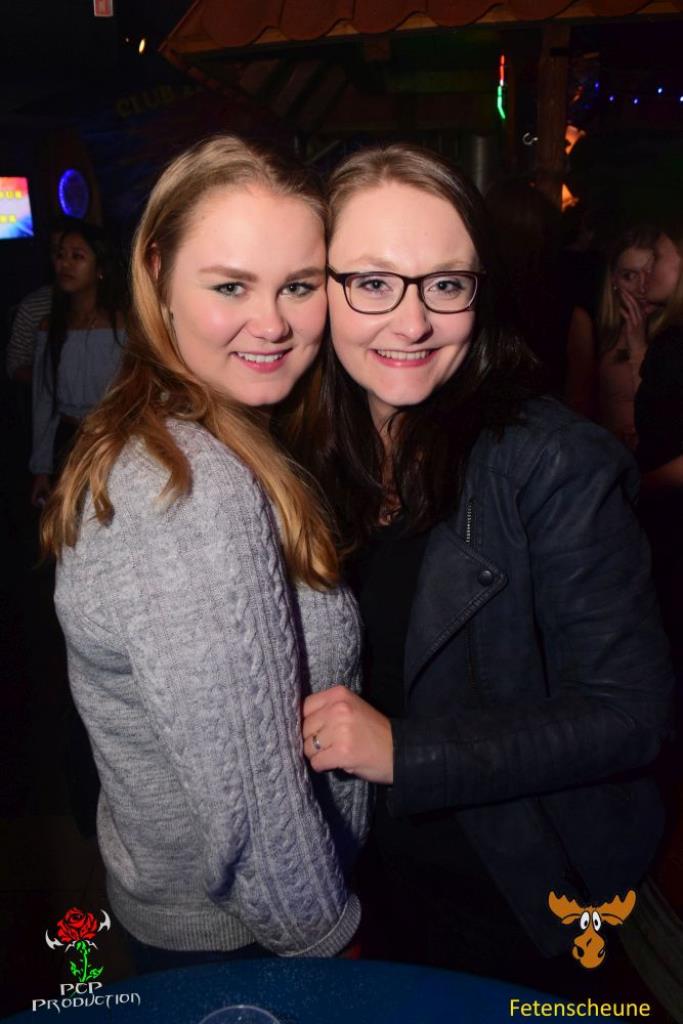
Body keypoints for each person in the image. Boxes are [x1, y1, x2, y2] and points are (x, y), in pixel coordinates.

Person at [296, 144, 672, 992]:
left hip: (516, 896)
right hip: (359, 882)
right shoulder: (304, 455)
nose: (412, 322)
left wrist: (406, 751)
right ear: (318, 288)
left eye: (445, 283)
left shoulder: (552, 464)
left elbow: (630, 713)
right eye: (372, 282)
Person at [40, 135, 368, 970]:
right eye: (230, 286)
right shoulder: (191, 489)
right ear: (156, 276)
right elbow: (255, 810)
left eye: (299, 285)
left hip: (200, 918)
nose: (274, 322)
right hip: (249, 939)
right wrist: (333, 949)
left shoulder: (191, 430)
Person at [30, 222, 127, 507]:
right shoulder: (51, 328)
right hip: (68, 442)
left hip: (116, 441)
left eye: (77, 256)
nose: (65, 263)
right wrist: (41, 469)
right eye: (60, 255)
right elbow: (43, 402)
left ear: (100, 267)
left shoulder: (125, 326)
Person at [597, 227, 657, 448]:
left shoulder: (672, 338)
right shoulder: (600, 330)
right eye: (629, 276)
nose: (642, 287)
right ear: (613, 280)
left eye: (651, 273)